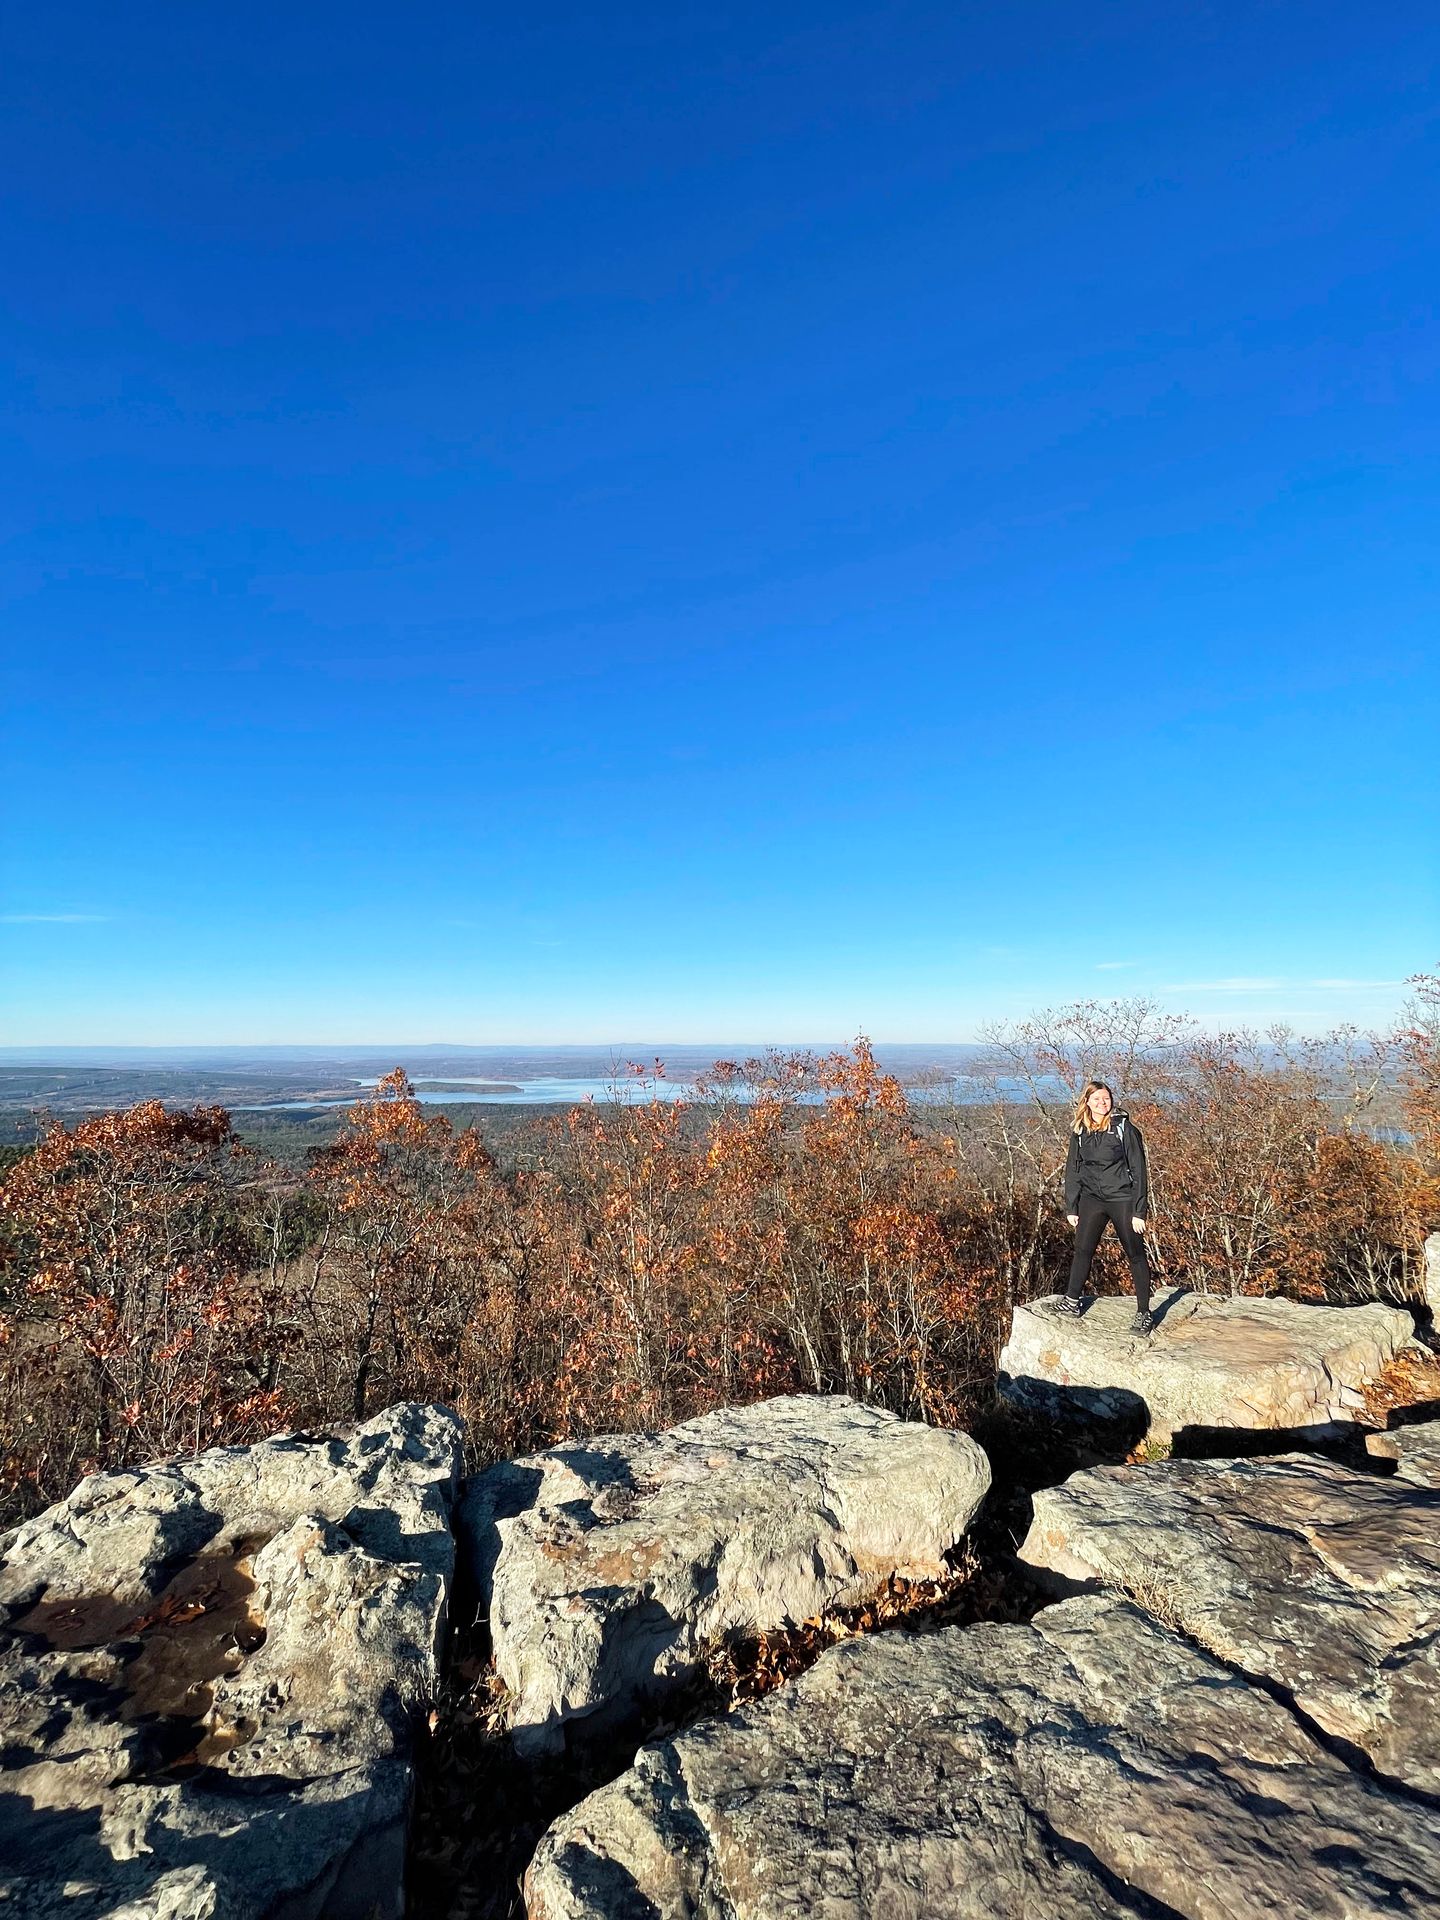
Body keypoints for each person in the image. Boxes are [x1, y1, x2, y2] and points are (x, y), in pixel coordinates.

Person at [1055, 1080, 1154, 1334]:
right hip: (1091, 1199)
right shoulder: (1080, 1131)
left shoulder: (1123, 1128)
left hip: (1122, 1199)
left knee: (1135, 1253)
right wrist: (1072, 1206)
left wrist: (1139, 1211)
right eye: (1097, 1098)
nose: (1102, 1102)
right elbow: (1074, 1169)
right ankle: (1072, 1301)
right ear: (1086, 1102)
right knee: (1082, 1249)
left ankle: (1144, 1312)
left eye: (1106, 1098)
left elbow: (1139, 1170)